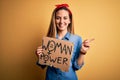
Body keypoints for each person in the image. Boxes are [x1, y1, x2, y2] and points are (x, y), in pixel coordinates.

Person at [36, 4, 94, 80]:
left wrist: (82, 53)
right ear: (54, 20)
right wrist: (40, 56)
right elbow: (43, 65)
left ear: (69, 20)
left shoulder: (77, 39)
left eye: (65, 18)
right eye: (58, 18)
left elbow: (77, 67)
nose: (61, 21)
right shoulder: (49, 40)